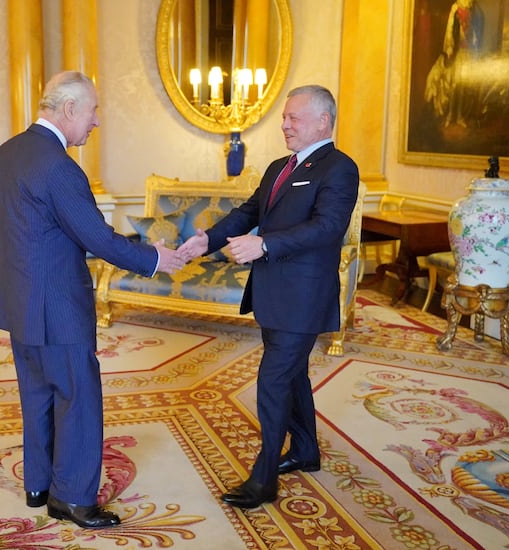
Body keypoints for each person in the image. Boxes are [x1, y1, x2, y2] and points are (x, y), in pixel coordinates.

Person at [0, 71, 185, 528]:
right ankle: (74, 500)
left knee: (38, 394)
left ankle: (38, 486)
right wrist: (154, 258)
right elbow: (98, 239)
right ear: (69, 109)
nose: (96, 122)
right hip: (60, 307)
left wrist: (24, 265)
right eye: (93, 111)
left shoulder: (4, 154)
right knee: (78, 397)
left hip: (19, 302)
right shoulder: (59, 166)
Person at [178, 85, 359, 508]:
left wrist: (265, 245)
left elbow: (328, 227)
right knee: (292, 374)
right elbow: (250, 211)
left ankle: (263, 480)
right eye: (284, 117)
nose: (285, 125)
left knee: (273, 379)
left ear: (323, 121)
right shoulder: (280, 165)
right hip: (274, 293)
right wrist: (207, 238)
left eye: (294, 118)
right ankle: (305, 451)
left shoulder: (339, 168)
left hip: (304, 296)